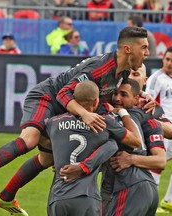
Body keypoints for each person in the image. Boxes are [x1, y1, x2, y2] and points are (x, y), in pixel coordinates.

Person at [0, 26, 150, 214]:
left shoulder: (122, 72)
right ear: (127, 49)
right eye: (143, 47)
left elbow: (114, 96)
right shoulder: (100, 67)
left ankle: (5, 196)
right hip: (47, 97)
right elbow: (63, 93)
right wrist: (85, 114)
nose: (147, 53)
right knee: (30, 139)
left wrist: (144, 97)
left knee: (46, 159)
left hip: (67, 107)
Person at [46, 80, 142, 216]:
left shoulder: (53, 123)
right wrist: (123, 112)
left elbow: (45, 144)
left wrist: (58, 158)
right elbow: (135, 141)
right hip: (86, 198)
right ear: (96, 102)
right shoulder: (104, 122)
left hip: (58, 198)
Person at [145, 46, 172, 213]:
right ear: (163, 59)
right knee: (157, 165)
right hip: (161, 128)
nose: (169, 63)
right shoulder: (156, 79)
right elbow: (147, 102)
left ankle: (168, 200)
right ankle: (150, 204)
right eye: (167, 59)